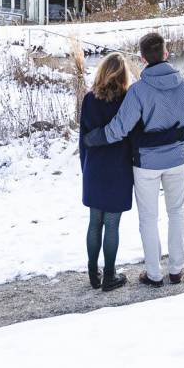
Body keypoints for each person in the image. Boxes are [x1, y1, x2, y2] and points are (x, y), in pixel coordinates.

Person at [84, 30, 184, 286]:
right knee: (177, 212)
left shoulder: (138, 91)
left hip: (146, 164)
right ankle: (177, 270)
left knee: (149, 218)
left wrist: (93, 139)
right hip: (177, 161)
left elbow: (118, 130)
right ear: (166, 54)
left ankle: (154, 274)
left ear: (144, 59)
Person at [79, 53, 133, 292]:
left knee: (94, 223)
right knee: (112, 224)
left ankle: (93, 273)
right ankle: (110, 276)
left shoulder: (89, 100)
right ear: (123, 75)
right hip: (119, 168)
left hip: (94, 167)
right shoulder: (127, 100)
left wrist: (85, 167)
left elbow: (83, 139)